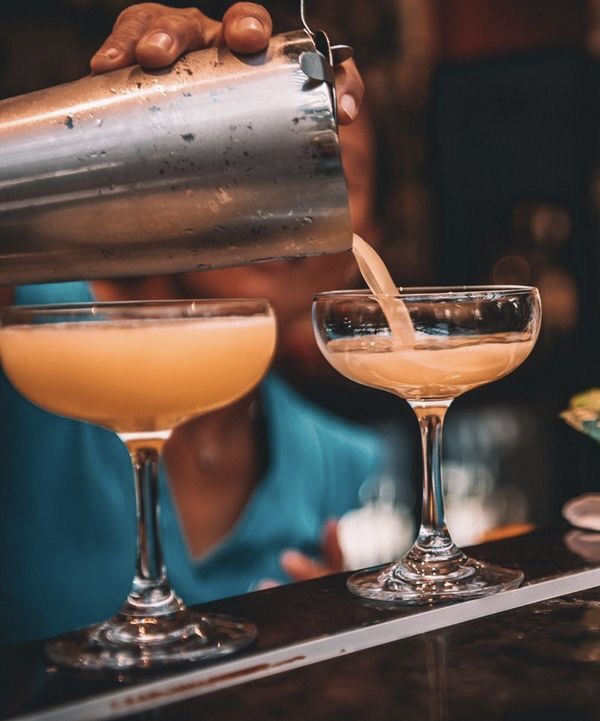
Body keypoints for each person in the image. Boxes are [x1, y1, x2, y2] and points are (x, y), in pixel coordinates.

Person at [0, 2, 381, 646]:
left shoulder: (343, 461)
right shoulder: (31, 324)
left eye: (332, 172)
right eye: (251, 153)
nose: (280, 200)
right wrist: (145, 115)